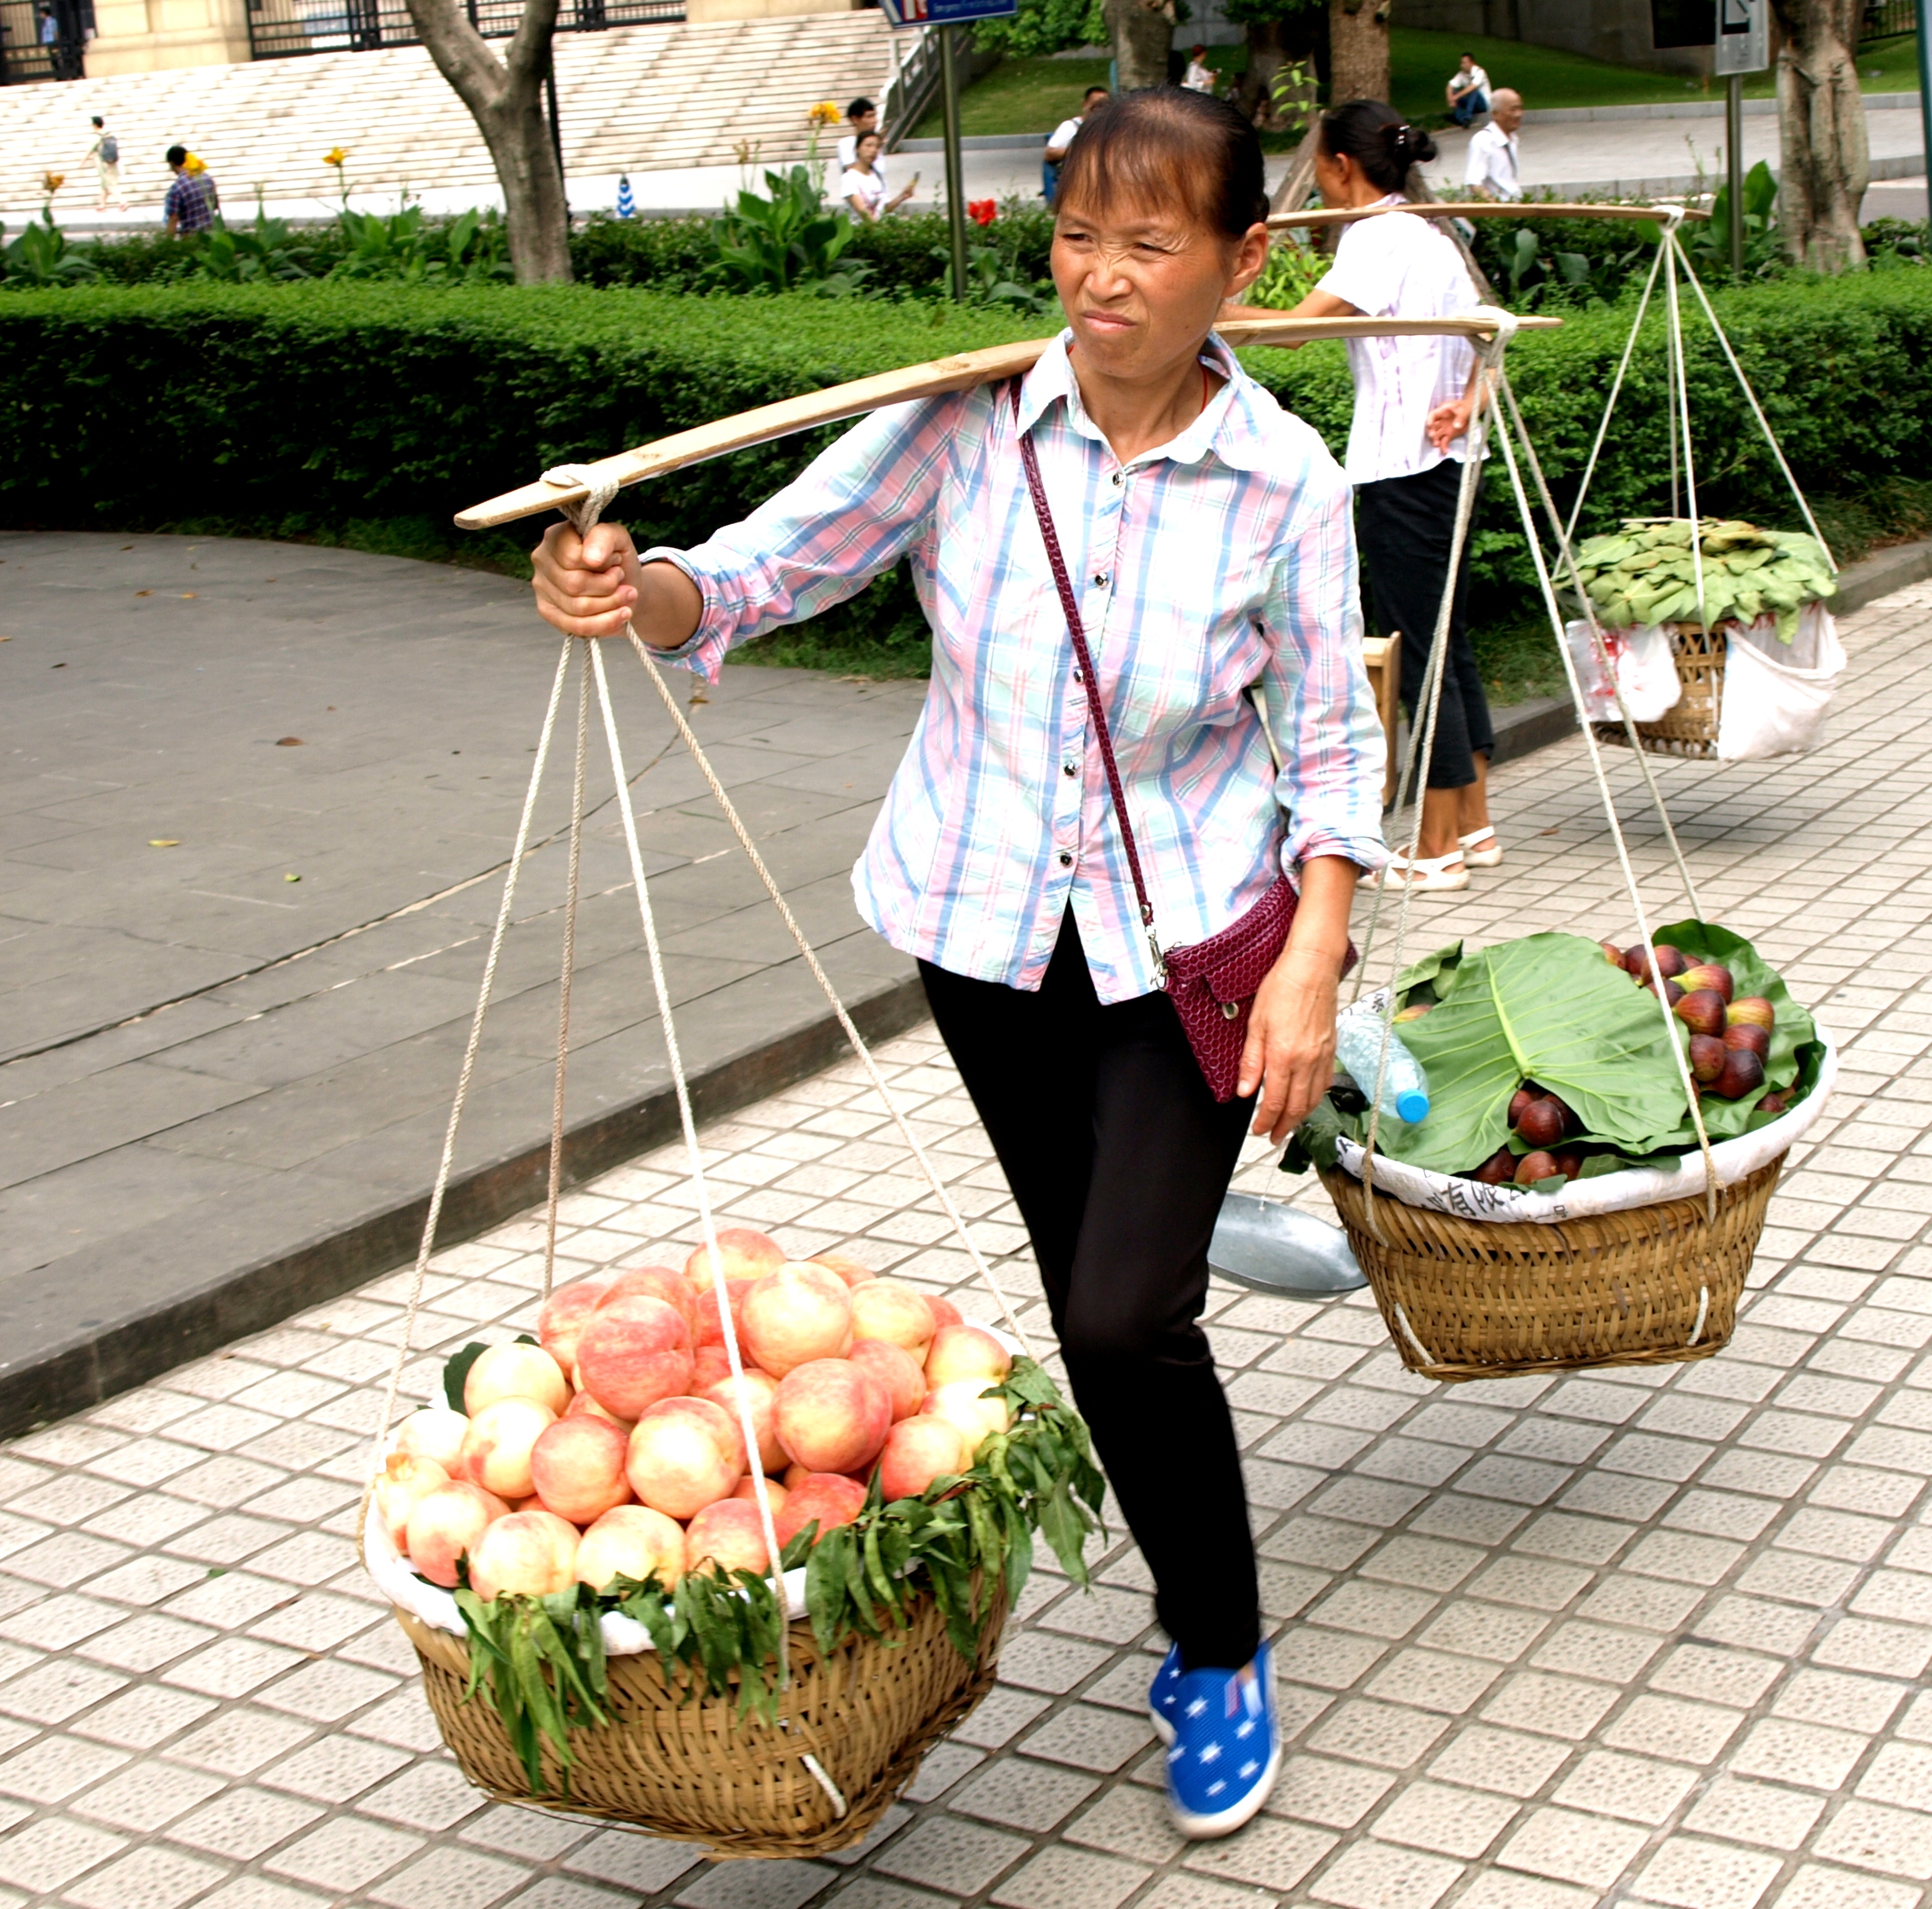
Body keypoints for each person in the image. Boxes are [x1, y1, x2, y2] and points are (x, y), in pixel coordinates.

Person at [528, 86, 1383, 1843]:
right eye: (1076, 234)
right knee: (1092, 1285)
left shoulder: (1283, 482)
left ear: (1240, 261)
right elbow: (771, 567)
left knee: (1118, 1312)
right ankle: (1180, 1227)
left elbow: (1328, 751)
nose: (1101, 276)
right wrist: (643, 588)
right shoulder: (965, 426)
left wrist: (1311, 963)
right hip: (985, 930)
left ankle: (1212, 1644)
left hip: (1185, 945)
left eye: (1150, 244)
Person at [1242, 100, 1497, 889]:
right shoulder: (1429, 234)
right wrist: (1468, 400)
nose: (1315, 177)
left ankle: (1436, 845)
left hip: (1403, 469)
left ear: (1340, 167)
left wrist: (1204, 309)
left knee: (1420, 650)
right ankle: (1475, 824)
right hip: (1451, 460)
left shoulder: (1376, 237)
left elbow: (1291, 329)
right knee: (1445, 641)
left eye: (1316, 163)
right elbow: (1489, 339)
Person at [1042, 84, 1109, 206]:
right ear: (1085, 105)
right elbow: (1049, 153)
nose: (1099, 109)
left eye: (1103, 105)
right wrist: (1079, 150)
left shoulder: (1109, 130)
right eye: (1095, 105)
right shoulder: (1070, 127)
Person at [839, 130, 919, 221]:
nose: (873, 150)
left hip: (880, 228)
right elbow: (864, 214)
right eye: (868, 146)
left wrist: (902, 197)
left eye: (877, 147)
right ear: (857, 149)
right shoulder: (849, 178)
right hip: (863, 230)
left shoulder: (875, 175)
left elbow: (883, 210)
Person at [1463, 86, 1522, 200]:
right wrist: (1495, 208)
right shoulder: (1483, 140)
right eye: (1513, 110)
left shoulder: (1513, 139)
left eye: (1520, 109)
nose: (1519, 114)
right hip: (1501, 212)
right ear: (1496, 114)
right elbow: (1474, 184)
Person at [831, 96, 883, 200]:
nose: (874, 121)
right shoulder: (847, 144)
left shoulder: (876, 144)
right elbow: (852, 171)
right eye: (869, 117)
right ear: (855, 119)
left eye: (874, 116)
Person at [163, 146, 219, 235]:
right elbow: (215, 205)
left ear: (172, 163)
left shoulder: (177, 188)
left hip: (191, 240)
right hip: (212, 236)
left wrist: (168, 245)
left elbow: (173, 219)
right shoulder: (207, 178)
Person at [88, 114, 126, 211]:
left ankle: (123, 202)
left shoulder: (97, 136)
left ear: (95, 125)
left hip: (103, 163)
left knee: (110, 184)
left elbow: (90, 150)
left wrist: (82, 162)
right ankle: (102, 205)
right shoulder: (109, 134)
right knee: (104, 184)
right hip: (112, 161)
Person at [1445, 52, 1491, 127]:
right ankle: (1460, 119)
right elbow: (1450, 85)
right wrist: (1450, 99)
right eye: (1461, 63)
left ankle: (1468, 117)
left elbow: (1473, 86)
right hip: (1471, 103)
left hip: (1483, 104)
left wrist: (1457, 96)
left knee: (1474, 91)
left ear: (1472, 63)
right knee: (1453, 92)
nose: (1462, 65)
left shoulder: (1480, 72)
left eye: (1464, 63)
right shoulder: (1462, 74)